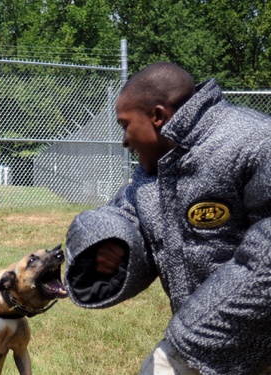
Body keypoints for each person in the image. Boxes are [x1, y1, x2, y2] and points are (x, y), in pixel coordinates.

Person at [64, 62, 271, 374]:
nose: (124, 141)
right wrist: (109, 242)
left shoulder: (255, 141)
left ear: (157, 116)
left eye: (125, 125)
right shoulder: (157, 169)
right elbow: (126, 211)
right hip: (204, 343)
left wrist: (192, 337)